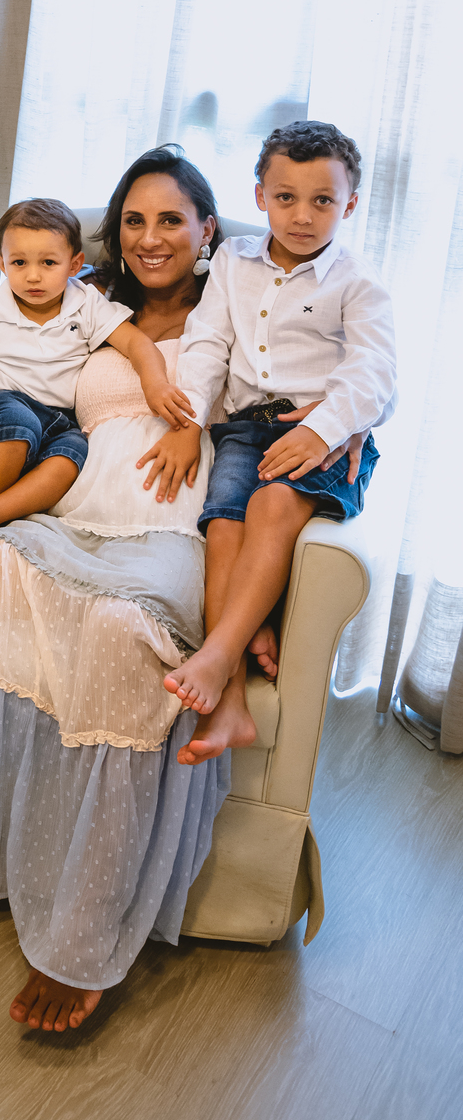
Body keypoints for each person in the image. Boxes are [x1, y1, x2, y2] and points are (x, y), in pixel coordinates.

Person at [0, 147, 231, 1034]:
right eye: (134, 220)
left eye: (172, 220)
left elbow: (318, 384)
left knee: (118, 632)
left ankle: (80, 935)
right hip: (73, 506)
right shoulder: (87, 295)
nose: (151, 238)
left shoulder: (238, 306)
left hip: (170, 526)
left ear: (207, 230)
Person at [146, 122, 396, 766]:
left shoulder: (357, 281)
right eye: (286, 197)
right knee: (223, 525)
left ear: (350, 204)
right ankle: (230, 703)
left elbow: (375, 374)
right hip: (242, 426)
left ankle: (217, 656)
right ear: (260, 196)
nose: (302, 215)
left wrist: (323, 427)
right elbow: (207, 344)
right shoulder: (232, 262)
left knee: (270, 505)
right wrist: (189, 422)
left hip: (319, 433)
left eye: (323, 200)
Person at [0, 196, 196, 537]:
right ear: (2, 263)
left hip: (63, 418)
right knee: (19, 426)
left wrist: (155, 383)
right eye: (19, 262)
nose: (33, 276)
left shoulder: (85, 303)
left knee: (73, 453)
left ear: (74, 264)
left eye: (49, 262)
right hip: (7, 401)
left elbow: (136, 343)